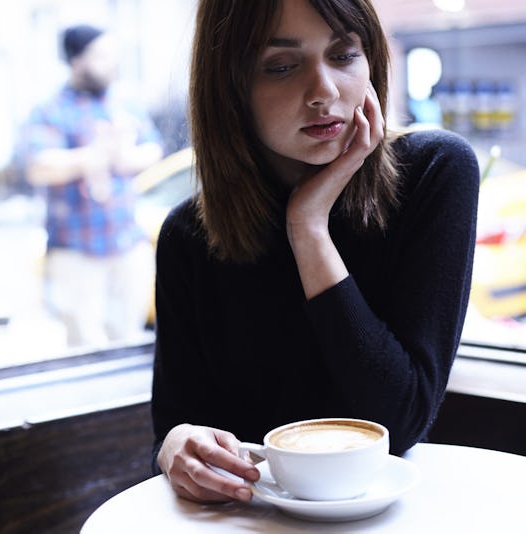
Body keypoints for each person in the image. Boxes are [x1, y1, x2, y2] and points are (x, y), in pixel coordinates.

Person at [152, 0, 479, 504]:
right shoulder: (188, 236)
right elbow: (176, 423)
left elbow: (401, 419)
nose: (324, 92)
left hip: (382, 517)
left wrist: (308, 227)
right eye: (281, 67)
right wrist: (178, 447)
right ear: (231, 88)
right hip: (247, 518)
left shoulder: (434, 173)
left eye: (344, 55)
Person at [24, 24, 163, 346]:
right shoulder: (50, 109)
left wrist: (122, 156)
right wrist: (95, 155)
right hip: (75, 250)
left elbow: (153, 149)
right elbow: (39, 167)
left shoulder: (125, 104)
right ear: (76, 60)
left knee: (132, 341)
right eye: (101, 55)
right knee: (86, 348)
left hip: (127, 243)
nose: (112, 62)